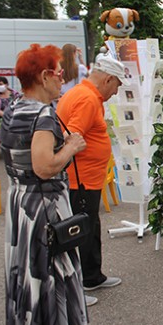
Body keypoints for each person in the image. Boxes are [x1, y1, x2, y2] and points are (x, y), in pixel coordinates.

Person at [0, 44, 87, 325]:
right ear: (44, 75)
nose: (63, 76)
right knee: (49, 279)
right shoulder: (42, 114)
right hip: (42, 207)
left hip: (22, 204)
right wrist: (71, 147)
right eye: (58, 70)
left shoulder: (14, 106)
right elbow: (45, 165)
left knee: (34, 278)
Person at [56, 54, 127, 295]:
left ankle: (92, 276)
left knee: (88, 227)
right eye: (117, 85)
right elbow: (72, 137)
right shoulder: (87, 99)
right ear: (108, 79)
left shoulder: (83, 94)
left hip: (85, 178)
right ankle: (79, 285)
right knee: (80, 231)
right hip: (81, 179)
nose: (116, 92)